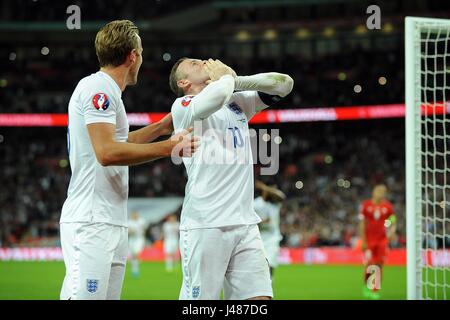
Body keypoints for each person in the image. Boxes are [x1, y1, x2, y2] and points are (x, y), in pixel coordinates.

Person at [59, 20, 198, 300]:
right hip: (91, 219)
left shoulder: (111, 94)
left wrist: (162, 127)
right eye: (142, 53)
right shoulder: (98, 88)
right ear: (132, 56)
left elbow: (121, 143)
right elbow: (107, 153)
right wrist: (169, 147)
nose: (142, 60)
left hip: (110, 219)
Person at [169, 57, 294, 300]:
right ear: (183, 82)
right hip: (206, 223)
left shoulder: (236, 102)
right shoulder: (183, 106)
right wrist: (227, 78)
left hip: (245, 223)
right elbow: (218, 93)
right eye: (194, 64)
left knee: (259, 299)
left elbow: (285, 84)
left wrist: (237, 80)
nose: (203, 62)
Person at [358, 184, 397, 299]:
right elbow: (362, 224)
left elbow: (392, 220)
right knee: (370, 264)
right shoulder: (366, 205)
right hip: (369, 240)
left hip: (382, 240)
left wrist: (389, 230)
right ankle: (366, 286)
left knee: (379, 265)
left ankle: (374, 290)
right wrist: (363, 240)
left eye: (383, 191)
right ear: (373, 192)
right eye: (379, 190)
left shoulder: (387, 207)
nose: (381, 193)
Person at [253, 180, 286, 278]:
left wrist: (264, 187)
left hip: (273, 238)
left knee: (271, 261)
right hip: (260, 237)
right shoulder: (257, 203)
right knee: (260, 263)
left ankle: (270, 281)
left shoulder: (275, 203)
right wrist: (262, 222)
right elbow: (250, 218)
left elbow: (282, 196)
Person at [128, 211, 146, 277]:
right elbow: (129, 232)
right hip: (132, 240)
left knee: (136, 253)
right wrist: (131, 232)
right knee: (133, 255)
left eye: (136, 214)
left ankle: (135, 270)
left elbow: (144, 230)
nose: (135, 216)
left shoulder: (141, 221)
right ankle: (134, 269)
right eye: (134, 214)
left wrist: (142, 232)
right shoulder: (129, 222)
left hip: (139, 239)